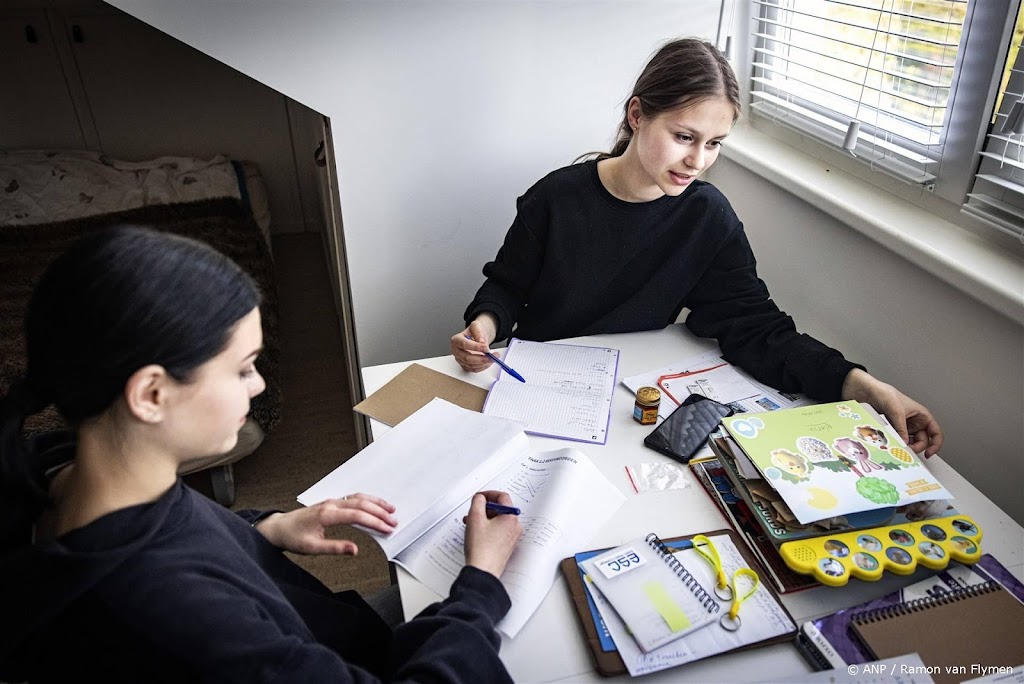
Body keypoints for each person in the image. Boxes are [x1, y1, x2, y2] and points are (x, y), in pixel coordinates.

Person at [0, 226, 522, 683]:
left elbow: (182, 534)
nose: (258, 385)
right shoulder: (171, 613)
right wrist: (481, 584)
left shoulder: (74, 464)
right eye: (243, 367)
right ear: (151, 394)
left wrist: (264, 530)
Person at [450, 37, 942, 458]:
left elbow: (755, 326)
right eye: (684, 136)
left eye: (714, 143)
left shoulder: (707, 216)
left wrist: (862, 386)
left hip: (631, 404)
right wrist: (485, 325)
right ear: (637, 115)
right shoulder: (557, 196)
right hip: (539, 389)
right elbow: (507, 286)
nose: (697, 160)